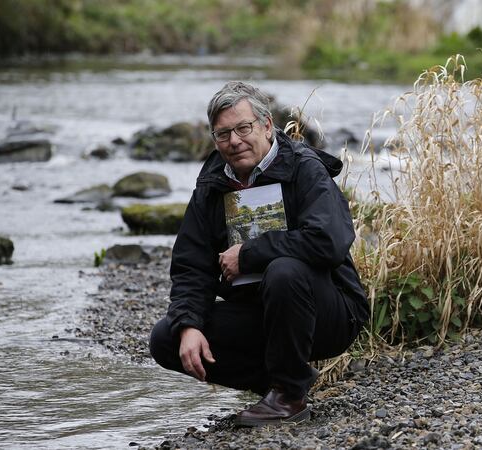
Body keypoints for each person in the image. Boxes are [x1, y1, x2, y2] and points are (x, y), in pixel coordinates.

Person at [149, 81, 369, 426]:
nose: (234, 141)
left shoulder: (304, 168)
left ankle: (288, 395)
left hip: (331, 313)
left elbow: (328, 241)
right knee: (166, 338)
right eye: (223, 134)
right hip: (260, 312)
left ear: (267, 125)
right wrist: (189, 324)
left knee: (283, 271)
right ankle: (276, 383)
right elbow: (191, 267)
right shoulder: (211, 186)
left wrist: (249, 255)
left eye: (243, 128)